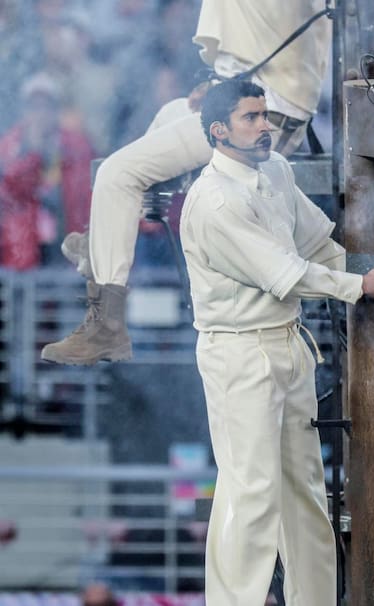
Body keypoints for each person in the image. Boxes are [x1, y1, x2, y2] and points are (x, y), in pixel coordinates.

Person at [181, 79, 374, 605]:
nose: (265, 126)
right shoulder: (214, 203)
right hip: (238, 353)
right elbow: (285, 273)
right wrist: (361, 286)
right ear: (219, 131)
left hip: (288, 344)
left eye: (265, 115)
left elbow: (317, 243)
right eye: (250, 118)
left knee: (306, 492)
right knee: (252, 492)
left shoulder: (277, 171)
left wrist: (372, 272)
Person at [41, 0, 332, 365]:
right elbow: (261, 45)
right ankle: (104, 243)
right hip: (258, 104)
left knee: (118, 174)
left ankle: (106, 329)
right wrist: (219, 87)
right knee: (169, 113)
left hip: (262, 117)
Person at [0, 72, 94, 270]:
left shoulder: (77, 147)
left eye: (47, 106)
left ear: (56, 111)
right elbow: (9, 196)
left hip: (67, 242)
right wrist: (33, 154)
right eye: (34, 107)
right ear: (23, 111)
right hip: (21, 249)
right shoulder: (9, 148)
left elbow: (89, 194)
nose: (40, 114)